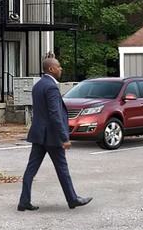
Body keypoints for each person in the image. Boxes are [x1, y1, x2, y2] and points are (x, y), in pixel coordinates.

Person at [18, 56, 91, 212]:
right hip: (51, 136)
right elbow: (55, 114)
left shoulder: (38, 85)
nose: (61, 69)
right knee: (62, 168)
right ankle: (72, 199)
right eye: (58, 66)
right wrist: (64, 137)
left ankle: (24, 201)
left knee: (31, 169)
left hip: (39, 135)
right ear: (51, 69)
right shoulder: (51, 87)